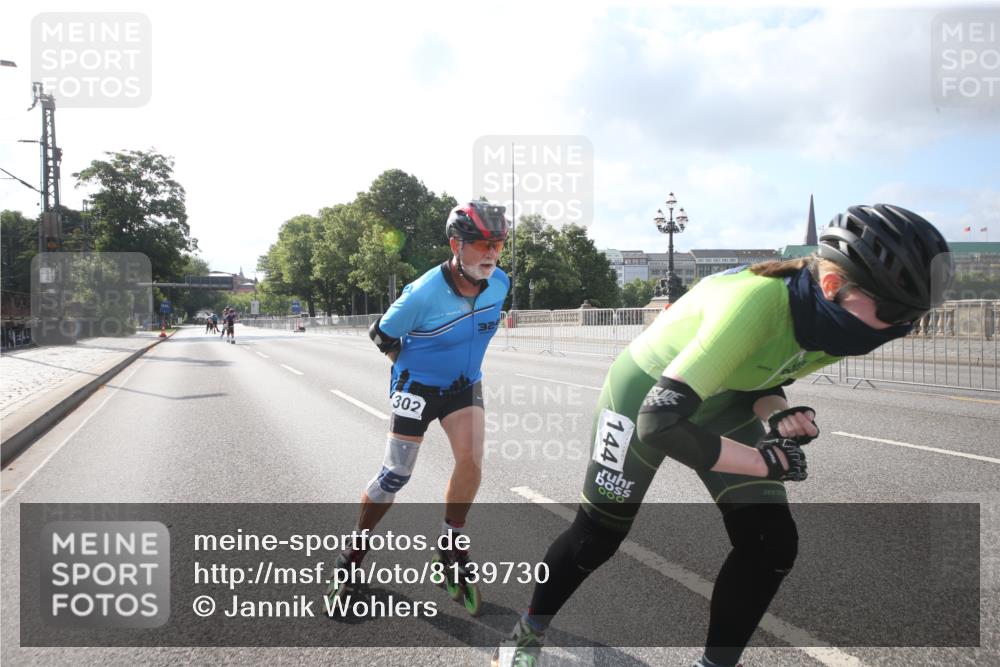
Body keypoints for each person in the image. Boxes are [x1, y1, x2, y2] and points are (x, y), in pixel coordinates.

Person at [492, 204, 954, 667]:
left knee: (770, 544)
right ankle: (527, 630)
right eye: (896, 310)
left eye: (915, 314)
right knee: (596, 537)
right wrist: (764, 461)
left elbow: (767, 371)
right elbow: (658, 422)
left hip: (725, 394)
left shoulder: (841, 316)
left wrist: (780, 415)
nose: (903, 327)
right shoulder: (756, 303)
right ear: (834, 286)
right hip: (645, 394)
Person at [327, 201, 510, 614]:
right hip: (417, 387)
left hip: (463, 387)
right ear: (455, 244)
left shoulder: (500, 284)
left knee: (472, 462)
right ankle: (351, 556)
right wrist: (408, 369)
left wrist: (462, 369)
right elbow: (381, 334)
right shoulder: (423, 293)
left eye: (497, 244)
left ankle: (449, 547)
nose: (490, 253)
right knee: (395, 475)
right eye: (481, 243)